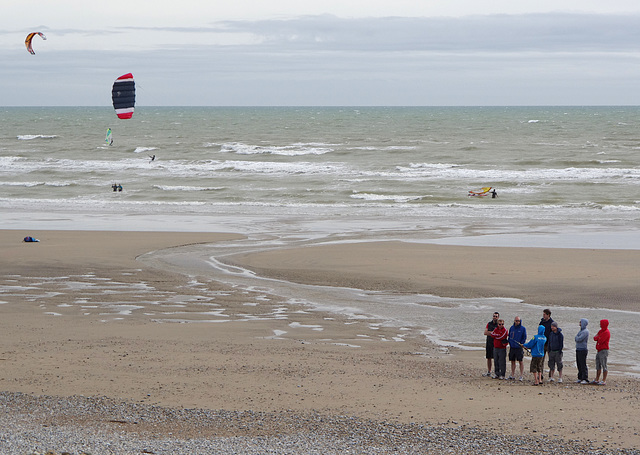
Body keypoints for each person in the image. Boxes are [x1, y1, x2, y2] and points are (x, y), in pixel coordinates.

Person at [507, 316, 527, 381]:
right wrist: (510, 343)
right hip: (512, 347)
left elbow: (524, 337)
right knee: (513, 361)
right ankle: (512, 375)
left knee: (520, 361)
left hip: (519, 348)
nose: (517, 322)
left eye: (518, 321)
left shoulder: (523, 328)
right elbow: (509, 336)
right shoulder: (512, 328)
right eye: (516, 321)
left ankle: (521, 375)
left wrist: (521, 343)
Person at [593, 319, 610, 385]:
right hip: (599, 350)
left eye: (601, 323)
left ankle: (604, 380)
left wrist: (598, 337)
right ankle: (597, 379)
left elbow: (601, 340)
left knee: (604, 365)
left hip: (604, 350)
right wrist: (598, 337)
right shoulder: (601, 331)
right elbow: (595, 338)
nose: (600, 324)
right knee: (598, 364)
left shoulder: (606, 332)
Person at [483, 312, 500, 377]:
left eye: (496, 316)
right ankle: (489, 371)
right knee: (489, 357)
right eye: (494, 316)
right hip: (489, 343)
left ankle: (497, 372)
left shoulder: (499, 324)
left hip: (496, 343)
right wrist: (493, 333)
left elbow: (499, 333)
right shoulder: (489, 324)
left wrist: (491, 333)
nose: (494, 317)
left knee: (496, 358)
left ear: (498, 317)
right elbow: (485, 332)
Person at [539, 309, 554, 379]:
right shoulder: (542, 322)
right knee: (541, 360)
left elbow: (553, 334)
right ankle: (540, 374)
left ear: (548, 315)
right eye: (543, 314)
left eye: (545, 314)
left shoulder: (552, 323)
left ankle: (551, 375)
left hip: (549, 344)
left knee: (551, 360)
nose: (543, 315)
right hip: (542, 344)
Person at [575, 318, 590, 384]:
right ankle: (580, 377)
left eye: (580, 322)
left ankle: (585, 378)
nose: (579, 323)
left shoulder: (585, 331)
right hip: (578, 349)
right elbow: (576, 337)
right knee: (578, 364)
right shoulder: (580, 331)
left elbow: (579, 338)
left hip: (583, 349)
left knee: (583, 364)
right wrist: (576, 338)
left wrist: (577, 338)